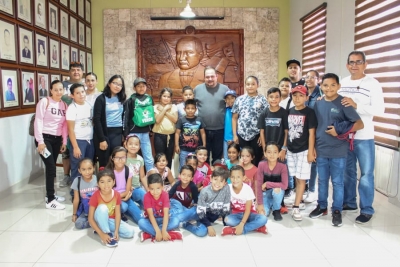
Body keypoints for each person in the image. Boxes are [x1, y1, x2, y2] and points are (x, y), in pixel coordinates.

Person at [310, 73, 364, 227]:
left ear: (339, 86)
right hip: (321, 148)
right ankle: (321, 206)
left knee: (337, 182)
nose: (329, 88)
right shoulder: (318, 104)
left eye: (333, 85)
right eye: (325, 85)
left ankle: (337, 210)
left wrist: (339, 130)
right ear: (321, 87)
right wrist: (313, 148)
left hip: (339, 151)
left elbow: (360, 124)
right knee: (322, 180)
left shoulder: (344, 103)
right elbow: (314, 127)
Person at [339, 50, 384, 224]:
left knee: (366, 174)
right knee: (347, 172)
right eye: (351, 62)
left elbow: (380, 110)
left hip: (364, 137)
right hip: (345, 136)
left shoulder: (373, 83)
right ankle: (350, 203)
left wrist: (357, 105)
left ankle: (366, 209)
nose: (355, 65)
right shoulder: (343, 83)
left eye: (358, 62)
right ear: (347, 65)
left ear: (365, 64)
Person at [34, 80, 68, 210]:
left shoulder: (64, 105)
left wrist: (64, 141)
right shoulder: (44, 102)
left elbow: (64, 125)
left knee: (51, 168)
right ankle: (50, 199)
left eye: (61, 89)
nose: (59, 92)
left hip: (56, 139)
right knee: (51, 167)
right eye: (56, 90)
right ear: (51, 90)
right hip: (44, 138)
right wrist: (40, 141)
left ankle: (51, 193)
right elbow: (38, 121)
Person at [287, 85, 317, 221]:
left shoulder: (309, 112)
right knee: (296, 177)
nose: (297, 98)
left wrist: (311, 152)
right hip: (291, 150)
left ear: (306, 97)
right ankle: (299, 200)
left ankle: (296, 207)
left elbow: (312, 134)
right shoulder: (290, 110)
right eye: (294, 95)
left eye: (300, 95)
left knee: (302, 178)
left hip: (304, 150)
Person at [88, 169, 135, 247]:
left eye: (109, 181)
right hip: (99, 218)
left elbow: (117, 214)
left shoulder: (116, 195)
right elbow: (90, 218)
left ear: (113, 182)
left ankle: (102, 229)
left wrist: (116, 231)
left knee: (130, 233)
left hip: (110, 220)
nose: (106, 184)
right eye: (102, 182)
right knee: (103, 208)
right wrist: (102, 234)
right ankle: (106, 234)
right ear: (98, 184)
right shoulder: (95, 196)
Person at [194, 66, 229, 164]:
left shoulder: (225, 89)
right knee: (203, 157)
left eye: (212, 76)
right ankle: (204, 177)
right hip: (202, 130)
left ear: (216, 76)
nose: (210, 79)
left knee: (217, 157)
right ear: (204, 77)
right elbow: (191, 106)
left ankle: (216, 177)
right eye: (207, 77)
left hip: (220, 129)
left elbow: (231, 105)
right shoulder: (197, 89)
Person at [232, 76, 268, 166]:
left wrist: (262, 134)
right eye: (248, 84)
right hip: (242, 135)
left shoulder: (263, 99)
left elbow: (266, 118)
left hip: (256, 135)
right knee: (244, 158)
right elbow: (234, 118)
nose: (250, 86)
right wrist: (235, 135)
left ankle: (256, 178)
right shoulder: (239, 99)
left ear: (258, 85)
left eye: (253, 84)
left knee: (256, 158)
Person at [59, 62, 85, 188]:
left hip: (81, 123)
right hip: (65, 122)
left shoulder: (85, 85)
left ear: (82, 72)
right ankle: (66, 175)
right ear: (69, 72)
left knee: (79, 151)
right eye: (73, 70)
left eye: (78, 70)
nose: (76, 72)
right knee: (66, 151)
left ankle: (85, 174)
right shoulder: (63, 86)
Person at [222, 165, 268, 235]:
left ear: (243, 178)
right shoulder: (228, 188)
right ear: (229, 178)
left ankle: (234, 230)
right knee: (227, 220)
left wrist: (241, 224)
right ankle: (256, 227)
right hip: (236, 214)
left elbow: (248, 210)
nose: (235, 180)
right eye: (232, 177)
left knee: (263, 219)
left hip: (250, 214)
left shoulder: (247, 189)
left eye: (238, 177)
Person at [93, 75, 126, 169]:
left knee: (115, 159)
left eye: (120, 85)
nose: (117, 86)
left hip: (117, 132)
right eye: (115, 83)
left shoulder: (122, 99)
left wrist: (124, 134)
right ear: (109, 84)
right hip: (104, 132)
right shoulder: (101, 99)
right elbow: (97, 119)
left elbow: (124, 117)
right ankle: (103, 182)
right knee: (104, 161)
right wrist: (102, 139)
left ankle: (115, 181)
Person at [138, 173, 182, 242]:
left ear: (162, 187)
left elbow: (166, 214)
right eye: (152, 189)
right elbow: (150, 215)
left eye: (158, 188)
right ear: (148, 188)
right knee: (141, 222)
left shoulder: (165, 195)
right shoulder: (146, 196)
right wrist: (158, 231)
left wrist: (163, 230)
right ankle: (164, 233)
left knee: (176, 221)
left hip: (163, 218)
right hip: (151, 220)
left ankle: (150, 234)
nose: (155, 192)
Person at [123, 77, 155, 172]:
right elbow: (126, 117)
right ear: (134, 88)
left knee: (148, 157)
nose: (141, 88)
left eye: (143, 86)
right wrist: (125, 134)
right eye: (139, 86)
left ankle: (151, 178)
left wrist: (151, 129)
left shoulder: (149, 99)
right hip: (133, 133)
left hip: (145, 133)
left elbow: (152, 114)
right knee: (131, 157)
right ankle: (130, 177)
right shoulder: (130, 100)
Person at [105, 146, 143, 224]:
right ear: (112, 158)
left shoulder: (128, 170)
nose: (120, 160)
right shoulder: (108, 173)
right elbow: (106, 193)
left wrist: (126, 196)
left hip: (126, 197)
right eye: (117, 157)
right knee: (123, 207)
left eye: (123, 157)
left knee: (141, 218)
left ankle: (126, 210)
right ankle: (119, 213)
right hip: (113, 199)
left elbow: (127, 190)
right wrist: (122, 198)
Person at [66, 83, 95, 185]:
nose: (81, 94)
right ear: (73, 95)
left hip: (90, 140)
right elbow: (70, 130)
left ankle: (87, 190)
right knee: (77, 167)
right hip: (78, 141)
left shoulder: (89, 105)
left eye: (82, 92)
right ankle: (76, 193)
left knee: (89, 167)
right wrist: (75, 147)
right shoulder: (72, 108)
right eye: (77, 93)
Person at [169, 165, 207, 237]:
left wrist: (194, 204)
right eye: (183, 174)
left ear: (192, 178)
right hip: (175, 202)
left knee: (184, 212)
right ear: (180, 175)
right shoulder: (177, 184)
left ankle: (180, 221)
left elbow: (196, 198)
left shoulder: (193, 187)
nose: (185, 177)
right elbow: (169, 195)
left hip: (185, 207)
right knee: (179, 207)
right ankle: (167, 217)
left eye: (188, 176)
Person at [304, 70, 323, 203]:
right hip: (304, 132)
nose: (309, 79)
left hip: (316, 131)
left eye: (312, 77)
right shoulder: (304, 92)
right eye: (307, 77)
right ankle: (304, 188)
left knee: (313, 162)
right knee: (305, 161)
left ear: (318, 79)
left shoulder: (321, 94)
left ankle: (312, 190)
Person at [256, 142, 288, 221]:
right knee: (263, 215)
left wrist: (267, 184)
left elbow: (284, 185)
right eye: (269, 152)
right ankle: (269, 204)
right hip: (265, 194)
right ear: (265, 153)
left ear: (278, 153)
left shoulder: (283, 166)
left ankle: (276, 209)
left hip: (277, 192)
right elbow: (259, 185)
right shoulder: (261, 165)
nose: (272, 155)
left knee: (277, 191)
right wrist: (260, 204)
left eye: (275, 152)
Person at [196, 167, 231, 237]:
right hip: (203, 215)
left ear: (225, 183)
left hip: (214, 216)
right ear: (211, 179)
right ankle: (186, 225)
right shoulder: (204, 191)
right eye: (215, 179)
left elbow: (226, 208)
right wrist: (209, 226)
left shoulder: (226, 188)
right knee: (201, 232)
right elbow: (200, 213)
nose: (218, 183)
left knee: (231, 222)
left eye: (221, 181)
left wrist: (226, 225)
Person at [175, 99, 206, 169]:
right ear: (184, 109)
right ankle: (181, 179)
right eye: (188, 108)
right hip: (184, 149)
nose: (190, 110)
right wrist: (176, 145)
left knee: (196, 166)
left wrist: (204, 145)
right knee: (183, 166)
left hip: (197, 150)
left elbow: (203, 133)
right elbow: (177, 133)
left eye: (192, 108)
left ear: (196, 109)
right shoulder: (181, 120)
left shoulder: (199, 120)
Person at [258, 87, 288, 158]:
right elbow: (261, 132)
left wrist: (284, 148)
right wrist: (264, 149)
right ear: (267, 98)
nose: (274, 99)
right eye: (271, 97)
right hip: (268, 149)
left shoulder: (284, 113)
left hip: (280, 149)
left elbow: (286, 131)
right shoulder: (264, 113)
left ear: (280, 98)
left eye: (276, 97)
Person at [153, 88, 178, 169]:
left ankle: (167, 177)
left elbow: (175, 119)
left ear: (171, 98)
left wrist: (165, 110)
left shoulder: (173, 107)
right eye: (164, 96)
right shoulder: (156, 107)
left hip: (171, 136)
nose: (166, 98)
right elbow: (157, 120)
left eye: (168, 97)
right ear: (160, 97)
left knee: (169, 156)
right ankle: (159, 176)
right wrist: (164, 109)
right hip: (159, 136)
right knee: (159, 156)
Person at [71, 158, 98, 229]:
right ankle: (92, 222)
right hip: (85, 210)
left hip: (97, 209)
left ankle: (95, 220)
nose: (87, 172)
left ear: (94, 168)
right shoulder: (77, 181)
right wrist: (74, 214)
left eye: (89, 168)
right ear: (79, 170)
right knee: (78, 224)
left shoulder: (98, 179)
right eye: (84, 169)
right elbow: (76, 199)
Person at [223, 90, 237, 162]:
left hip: (236, 139)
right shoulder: (225, 110)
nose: (230, 100)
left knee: (236, 158)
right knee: (226, 159)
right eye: (227, 98)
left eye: (232, 98)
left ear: (236, 99)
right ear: (225, 100)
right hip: (226, 139)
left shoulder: (238, 111)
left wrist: (234, 138)